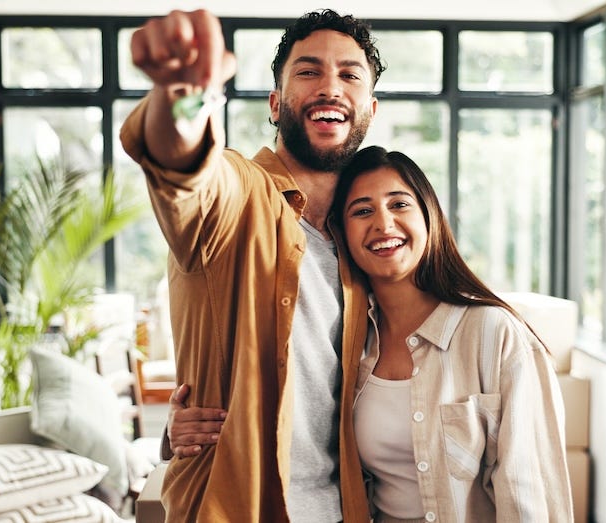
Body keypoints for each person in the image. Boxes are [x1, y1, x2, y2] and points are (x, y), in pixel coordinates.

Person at [121, 7, 385, 522]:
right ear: (275, 103)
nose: (330, 87)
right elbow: (183, 165)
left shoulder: (362, 244)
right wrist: (184, 93)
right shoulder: (238, 195)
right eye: (308, 72)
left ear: (369, 109)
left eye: (349, 75)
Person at [332, 145, 574, 522]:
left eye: (399, 205)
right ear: (342, 233)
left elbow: (529, 494)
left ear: (428, 216)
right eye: (362, 211)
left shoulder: (493, 334)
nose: (383, 224)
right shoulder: (350, 343)